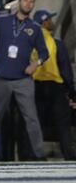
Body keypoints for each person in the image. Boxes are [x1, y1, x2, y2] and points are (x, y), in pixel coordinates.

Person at [0, 0, 49, 161]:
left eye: (31, 1)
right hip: (2, 79)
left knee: (32, 118)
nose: (28, 4)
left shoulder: (35, 28)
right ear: (18, 2)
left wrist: (36, 64)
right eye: (25, 0)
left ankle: (39, 154)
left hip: (23, 80)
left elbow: (44, 53)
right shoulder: (2, 22)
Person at [32, 10, 76, 160]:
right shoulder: (55, 43)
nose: (51, 21)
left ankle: (34, 155)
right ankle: (68, 155)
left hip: (35, 86)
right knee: (63, 122)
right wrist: (71, 91)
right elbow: (65, 69)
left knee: (36, 122)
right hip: (54, 86)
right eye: (49, 19)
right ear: (44, 22)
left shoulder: (30, 42)